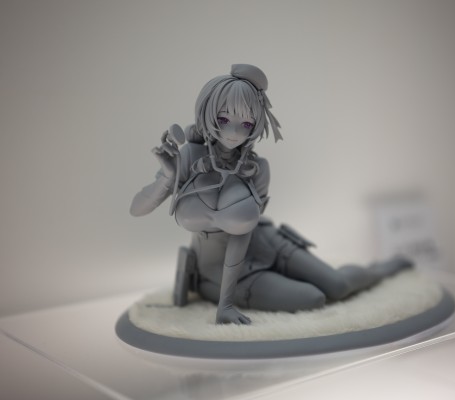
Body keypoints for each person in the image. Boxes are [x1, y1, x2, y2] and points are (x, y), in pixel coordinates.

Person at [130, 64, 412, 325]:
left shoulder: (257, 168)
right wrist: (167, 177)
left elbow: (241, 235)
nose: (234, 132)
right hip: (219, 271)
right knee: (313, 298)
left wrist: (225, 304)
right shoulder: (189, 156)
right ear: (208, 112)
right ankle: (226, 288)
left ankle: (381, 269)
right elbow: (137, 209)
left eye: (246, 124)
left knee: (338, 285)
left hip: (267, 241)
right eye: (224, 119)